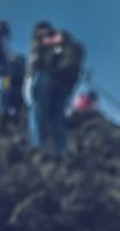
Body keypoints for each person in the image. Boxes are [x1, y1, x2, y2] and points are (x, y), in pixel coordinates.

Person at [28, 21, 84, 155]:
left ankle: (38, 144)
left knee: (38, 110)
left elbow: (37, 63)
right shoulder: (71, 47)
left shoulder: (49, 45)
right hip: (64, 84)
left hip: (48, 78)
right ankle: (61, 149)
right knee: (57, 116)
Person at [0, 54, 26, 125]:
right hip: (14, 93)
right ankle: (11, 123)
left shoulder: (9, 71)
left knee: (5, 108)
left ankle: (4, 123)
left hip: (10, 92)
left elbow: (4, 86)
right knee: (16, 110)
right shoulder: (21, 71)